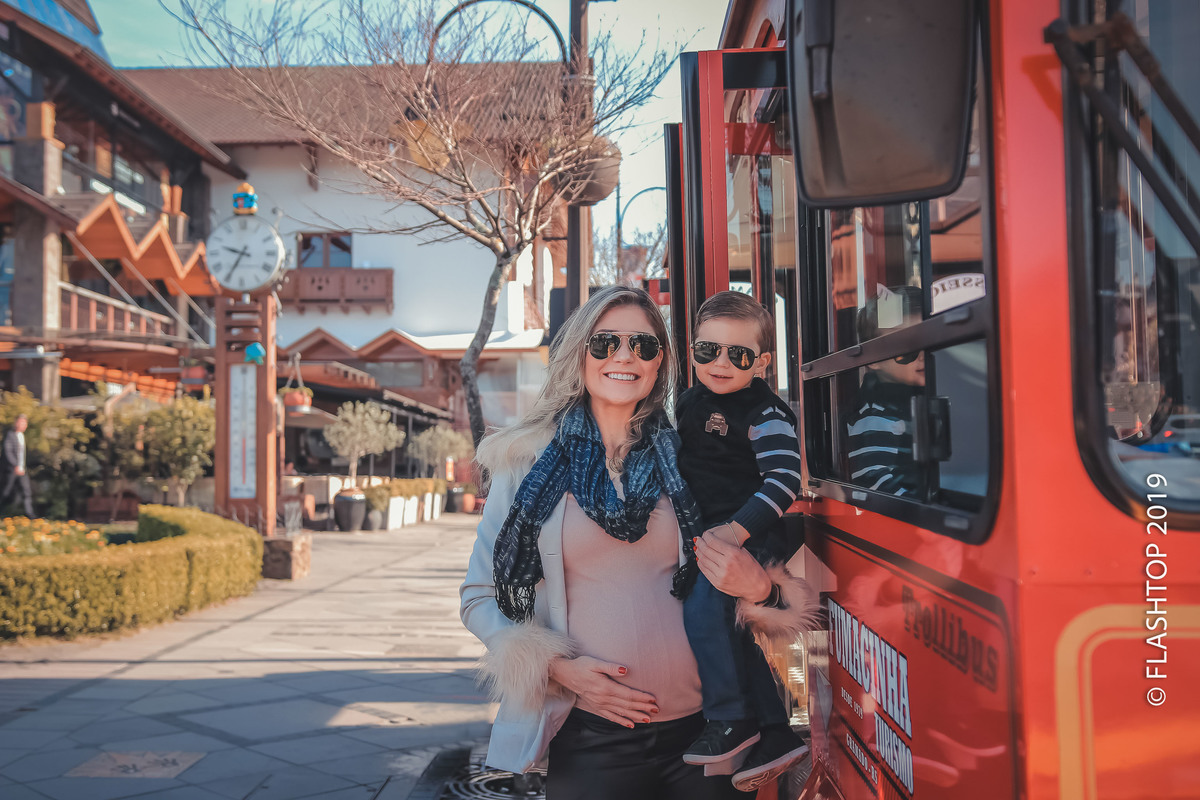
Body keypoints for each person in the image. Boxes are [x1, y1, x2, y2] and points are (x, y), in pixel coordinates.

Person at [460, 286, 814, 799]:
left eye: (644, 346)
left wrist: (761, 590)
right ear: (579, 351)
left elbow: (751, 575)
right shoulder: (523, 463)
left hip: (705, 740)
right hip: (593, 738)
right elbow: (478, 597)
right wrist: (559, 670)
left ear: (660, 365)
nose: (624, 356)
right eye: (605, 343)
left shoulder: (684, 457)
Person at [674, 292, 817, 791]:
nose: (719, 363)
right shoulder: (689, 402)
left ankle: (731, 721)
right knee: (730, 629)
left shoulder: (766, 412)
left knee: (704, 611)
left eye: (737, 355)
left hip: (748, 536)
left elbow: (783, 482)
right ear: (690, 351)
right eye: (706, 351)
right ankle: (776, 732)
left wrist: (736, 533)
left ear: (762, 362)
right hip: (711, 536)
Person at [845, 289, 927, 498]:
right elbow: (873, 482)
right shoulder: (875, 417)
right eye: (905, 343)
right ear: (873, 358)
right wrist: (921, 509)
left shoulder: (930, 398)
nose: (922, 353)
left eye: (928, 338)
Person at [0, 413, 34, 517]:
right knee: (5, 492)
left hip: (22, 470)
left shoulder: (22, 436)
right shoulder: (10, 435)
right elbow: (7, 451)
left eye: (24, 423)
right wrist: (15, 465)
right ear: (16, 423)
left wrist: (22, 467)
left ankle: (30, 514)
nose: (22, 425)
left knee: (26, 491)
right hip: (11, 470)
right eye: (21, 422)